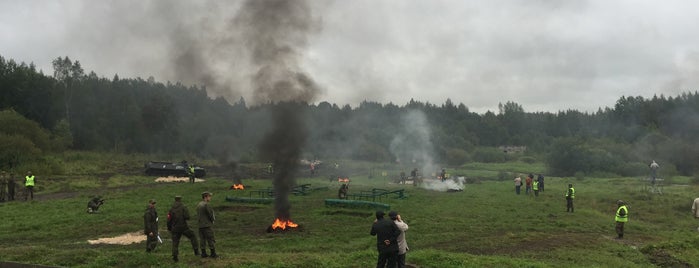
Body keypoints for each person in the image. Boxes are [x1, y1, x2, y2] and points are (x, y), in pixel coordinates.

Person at [168, 195, 199, 262]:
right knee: (193, 236)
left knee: (175, 243)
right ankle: (196, 251)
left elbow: (169, 220)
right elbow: (187, 217)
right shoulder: (183, 207)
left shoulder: (171, 209)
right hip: (183, 227)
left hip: (175, 228)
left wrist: (169, 228)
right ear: (180, 200)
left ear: (175, 200)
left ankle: (175, 257)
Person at [197, 191, 217, 258]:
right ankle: (213, 253)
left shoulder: (199, 204)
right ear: (206, 197)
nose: (210, 198)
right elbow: (210, 214)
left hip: (200, 225)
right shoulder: (206, 205)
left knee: (202, 239)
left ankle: (203, 253)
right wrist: (212, 220)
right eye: (209, 196)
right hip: (207, 225)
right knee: (210, 238)